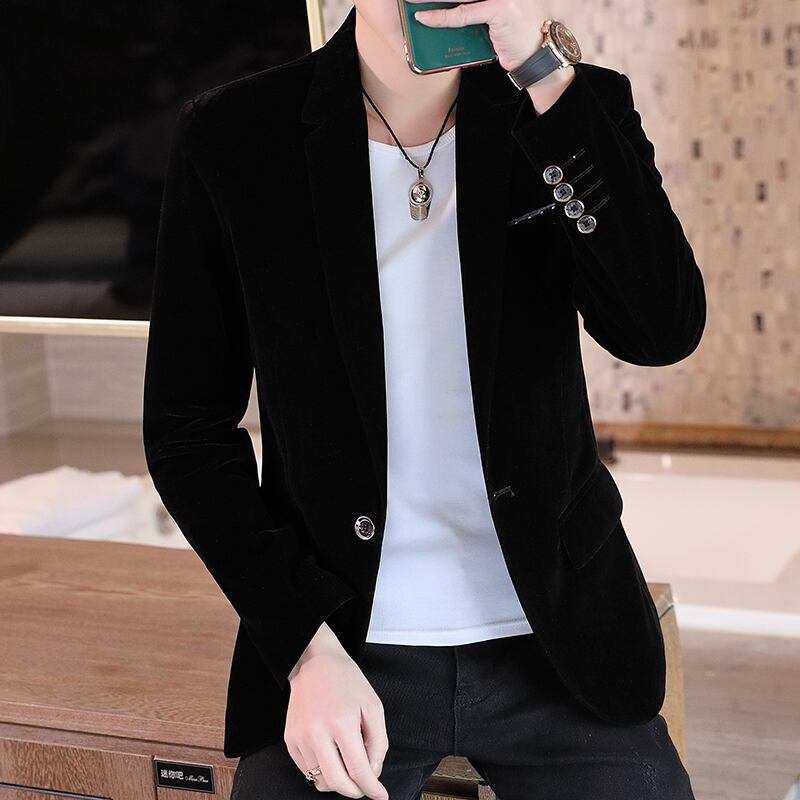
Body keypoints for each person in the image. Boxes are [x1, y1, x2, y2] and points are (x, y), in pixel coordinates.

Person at [142, 1, 706, 798]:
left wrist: (542, 75)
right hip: (346, 641)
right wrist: (304, 647)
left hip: (559, 642)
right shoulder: (236, 134)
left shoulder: (571, 105)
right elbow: (187, 429)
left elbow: (662, 330)